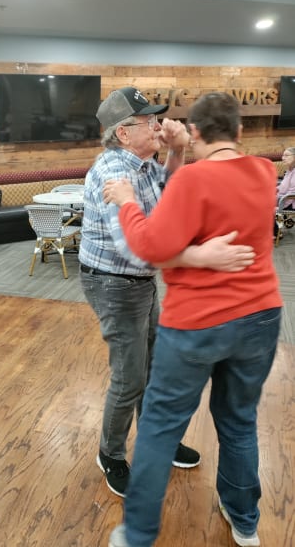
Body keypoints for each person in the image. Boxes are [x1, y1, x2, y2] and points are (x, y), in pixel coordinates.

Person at [104, 92, 282, 547]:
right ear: (240, 133)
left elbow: (150, 246)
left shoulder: (191, 181)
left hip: (197, 323)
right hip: (261, 315)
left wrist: (126, 200)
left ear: (196, 131)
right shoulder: (265, 171)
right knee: (239, 421)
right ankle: (245, 522)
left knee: (161, 426)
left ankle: (138, 534)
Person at [79, 87, 256, 499]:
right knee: (129, 377)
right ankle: (110, 454)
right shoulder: (112, 173)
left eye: (158, 119)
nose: (160, 126)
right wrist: (202, 256)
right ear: (123, 133)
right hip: (114, 282)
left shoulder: (144, 163)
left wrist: (176, 153)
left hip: (140, 282)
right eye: (149, 121)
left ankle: (155, 441)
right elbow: (136, 246)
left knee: (154, 368)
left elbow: (171, 197)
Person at [274, 146, 295, 238]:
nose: (283, 158)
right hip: (283, 198)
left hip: (290, 201)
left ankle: (277, 230)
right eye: (283, 155)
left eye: (286, 155)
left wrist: (277, 203)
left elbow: (291, 194)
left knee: (265, 205)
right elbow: (283, 187)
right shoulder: (289, 171)